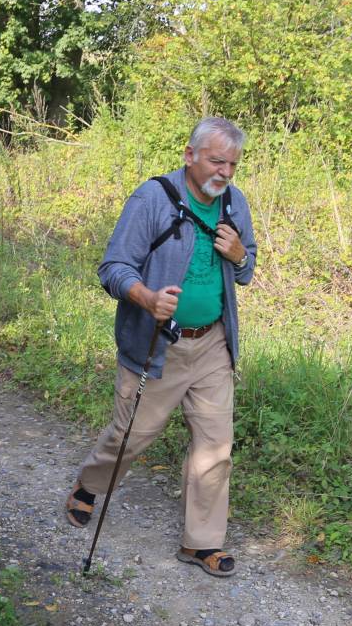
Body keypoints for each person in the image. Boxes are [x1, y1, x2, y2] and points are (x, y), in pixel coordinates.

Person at [63, 117, 257, 578]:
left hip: (212, 343)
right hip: (157, 347)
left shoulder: (235, 203)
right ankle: (89, 486)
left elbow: (247, 271)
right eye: (216, 160)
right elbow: (113, 267)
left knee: (216, 447)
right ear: (189, 155)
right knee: (132, 435)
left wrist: (239, 256)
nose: (225, 172)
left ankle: (202, 543)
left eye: (232, 163)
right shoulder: (154, 198)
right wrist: (146, 298)